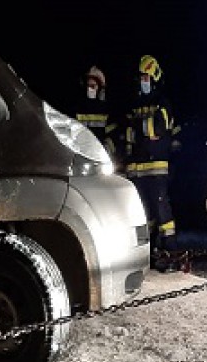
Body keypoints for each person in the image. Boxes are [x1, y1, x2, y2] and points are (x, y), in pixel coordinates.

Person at [124, 55, 181, 272]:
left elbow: (157, 127)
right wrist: (142, 129)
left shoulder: (162, 103)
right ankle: (146, 255)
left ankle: (171, 253)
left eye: (146, 77)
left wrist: (141, 128)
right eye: (141, 77)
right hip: (137, 169)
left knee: (162, 211)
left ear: (155, 78)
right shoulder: (135, 103)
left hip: (157, 167)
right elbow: (131, 132)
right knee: (143, 214)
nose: (143, 81)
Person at [74, 65, 119, 166]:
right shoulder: (78, 108)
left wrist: (105, 151)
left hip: (100, 160)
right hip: (80, 159)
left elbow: (113, 136)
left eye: (93, 86)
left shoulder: (106, 110)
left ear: (100, 88)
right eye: (88, 86)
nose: (90, 89)